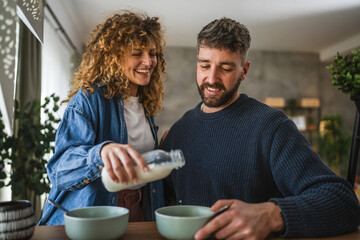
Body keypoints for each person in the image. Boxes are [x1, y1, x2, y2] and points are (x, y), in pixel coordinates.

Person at [161, 17, 360, 239]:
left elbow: (343, 202)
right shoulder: (178, 132)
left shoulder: (271, 127)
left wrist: (272, 214)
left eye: (225, 68)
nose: (211, 78)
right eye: (205, 65)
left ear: (244, 71)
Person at [38, 11, 167, 225]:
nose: (148, 61)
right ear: (115, 56)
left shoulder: (145, 106)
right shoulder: (89, 99)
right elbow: (59, 171)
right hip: (91, 217)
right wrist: (101, 152)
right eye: (137, 53)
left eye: (152, 53)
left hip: (135, 213)